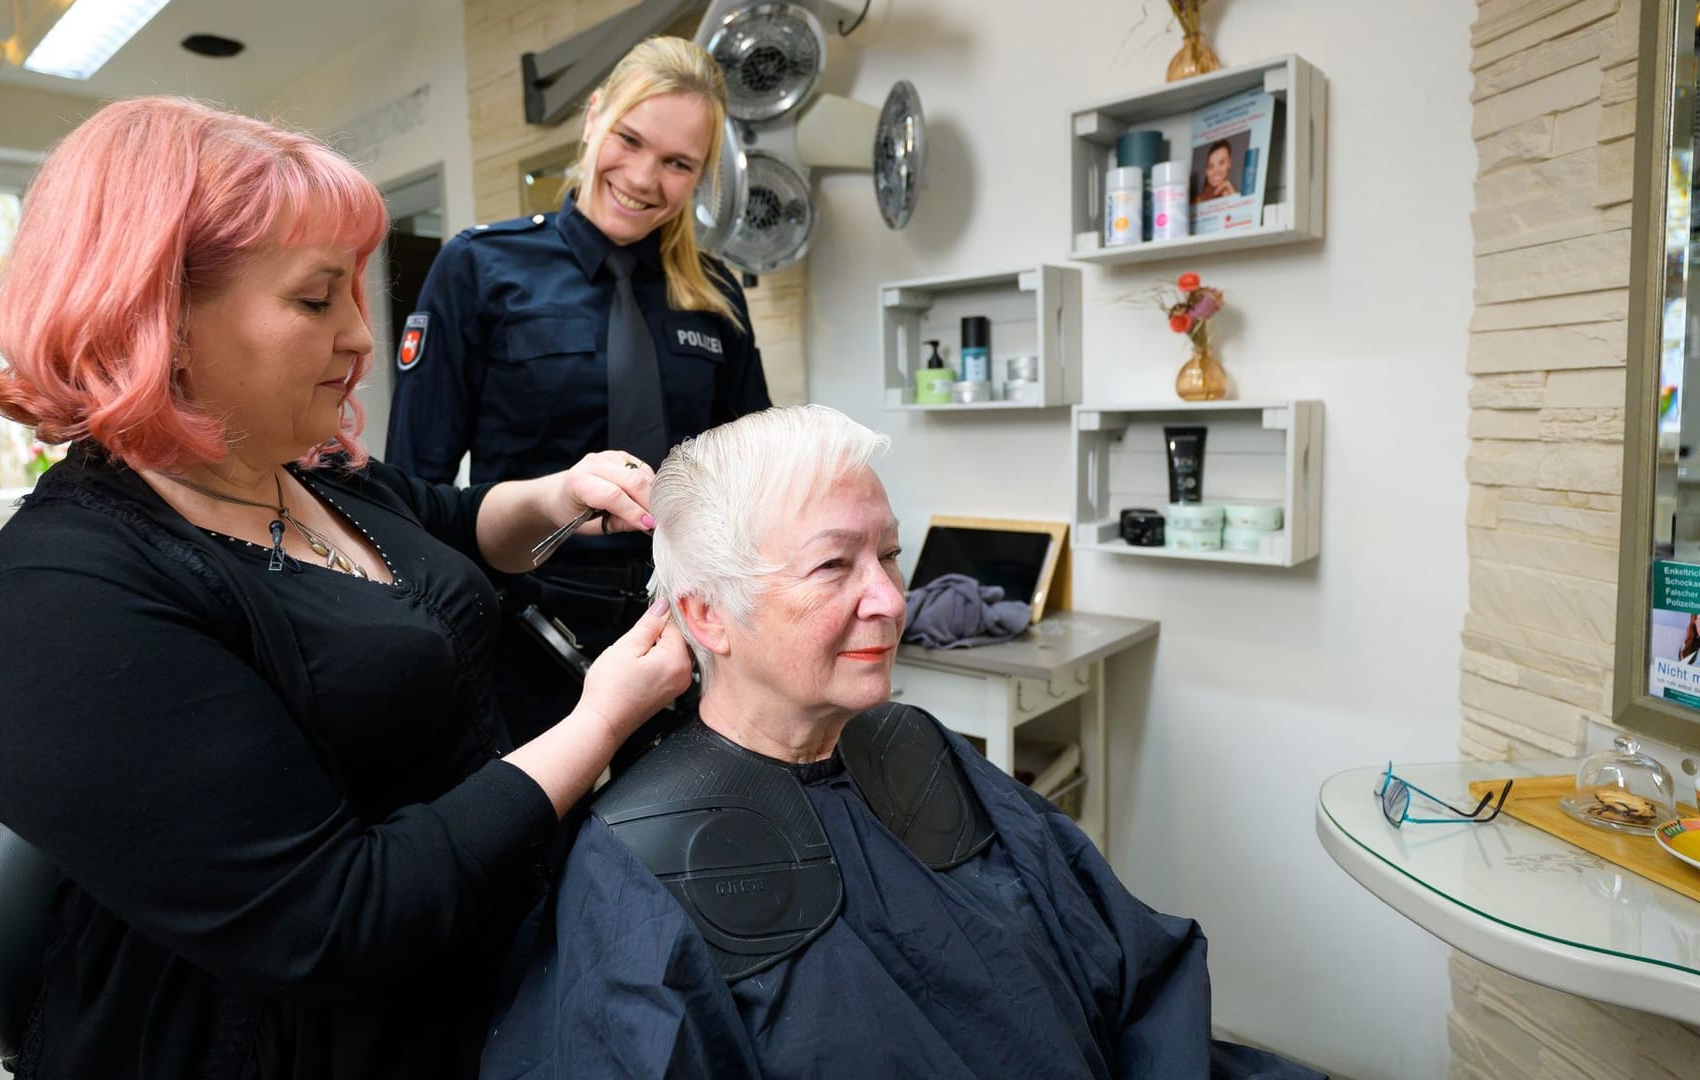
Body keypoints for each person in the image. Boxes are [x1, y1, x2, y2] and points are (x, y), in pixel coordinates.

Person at [0, 97, 692, 1079]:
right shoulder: (63, 601)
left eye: (355, 295)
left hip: (485, 956)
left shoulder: (304, 474)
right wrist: (598, 723)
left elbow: (451, 522)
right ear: (156, 319)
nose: (358, 339)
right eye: (315, 299)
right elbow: (336, 920)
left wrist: (559, 494)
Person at [480, 405, 1324, 1079]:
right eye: (833, 567)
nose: (890, 599)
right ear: (706, 614)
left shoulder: (917, 748)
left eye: (888, 555)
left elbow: (1138, 975)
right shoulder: (637, 861)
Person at [384, 36, 772, 749]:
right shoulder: (479, 265)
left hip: (683, 626)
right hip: (527, 628)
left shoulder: (716, 295)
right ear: (593, 118)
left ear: (699, 177)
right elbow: (415, 487)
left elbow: (753, 477)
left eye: (679, 163)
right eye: (630, 139)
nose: (645, 177)